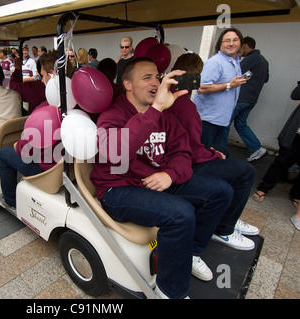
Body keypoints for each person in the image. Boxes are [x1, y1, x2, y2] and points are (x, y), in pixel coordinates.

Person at [91, 57, 234, 298]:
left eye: (157, 77)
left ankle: (191, 254)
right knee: (180, 214)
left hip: (155, 181)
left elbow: (182, 151)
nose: (155, 82)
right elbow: (117, 153)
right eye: (146, 78)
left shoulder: (165, 116)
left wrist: (170, 174)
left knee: (221, 192)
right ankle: (170, 292)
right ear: (128, 84)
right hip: (118, 188)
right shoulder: (113, 114)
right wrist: (155, 109)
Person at [168, 53, 258, 251]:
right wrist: (213, 155)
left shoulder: (169, 98)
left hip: (181, 156)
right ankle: (224, 229)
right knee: (245, 171)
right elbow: (193, 152)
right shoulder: (185, 107)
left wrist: (213, 152)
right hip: (183, 164)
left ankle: (229, 216)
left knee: (224, 150)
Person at [194, 27, 248, 157]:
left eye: (235, 40)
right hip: (208, 122)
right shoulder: (215, 62)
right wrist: (229, 85)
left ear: (240, 43)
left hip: (223, 121)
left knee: (218, 157)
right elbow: (201, 88)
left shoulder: (235, 62)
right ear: (220, 44)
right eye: (227, 41)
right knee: (204, 158)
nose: (231, 43)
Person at [253, 81, 300, 231]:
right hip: (297, 134)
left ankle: (296, 194)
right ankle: (264, 188)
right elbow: (295, 95)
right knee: (283, 160)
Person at [228, 36, 270, 162]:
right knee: (241, 124)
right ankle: (257, 149)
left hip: (241, 99)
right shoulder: (264, 61)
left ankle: (219, 151)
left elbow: (235, 74)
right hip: (251, 100)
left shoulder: (251, 58)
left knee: (224, 124)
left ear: (245, 46)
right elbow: (266, 79)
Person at [9, 50, 59, 115]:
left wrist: (18, 69)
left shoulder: (38, 88)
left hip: (40, 123)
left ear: (52, 73)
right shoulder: (71, 88)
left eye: (43, 75)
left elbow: (14, 87)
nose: (42, 80)